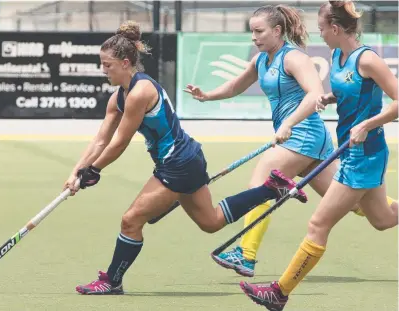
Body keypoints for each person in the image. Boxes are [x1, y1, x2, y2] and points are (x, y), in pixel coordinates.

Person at [63, 20, 307, 295]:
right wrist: (76, 172)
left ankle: (112, 280)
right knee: (211, 222)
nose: (103, 70)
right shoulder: (118, 97)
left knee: (131, 220)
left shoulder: (140, 92)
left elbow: (120, 142)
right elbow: (101, 140)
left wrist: (94, 170)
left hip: (177, 163)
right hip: (186, 159)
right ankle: (271, 189)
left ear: (125, 62)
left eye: (107, 64)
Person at [184, 4, 381, 279]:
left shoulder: (294, 59)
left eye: (259, 31)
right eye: (252, 31)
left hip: (303, 135)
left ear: (277, 31)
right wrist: (207, 95)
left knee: (262, 184)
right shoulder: (260, 60)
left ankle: (246, 254)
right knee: (357, 204)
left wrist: (288, 123)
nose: (254, 37)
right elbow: (234, 86)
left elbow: (315, 95)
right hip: (306, 141)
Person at [240, 1, 398, 310]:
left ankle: (279, 292)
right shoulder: (339, 57)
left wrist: (368, 123)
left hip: (365, 154)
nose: (319, 33)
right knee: (381, 219)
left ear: (336, 29)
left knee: (317, 225)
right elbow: (353, 90)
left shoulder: (368, 59)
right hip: (352, 150)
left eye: (322, 28)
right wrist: (331, 95)